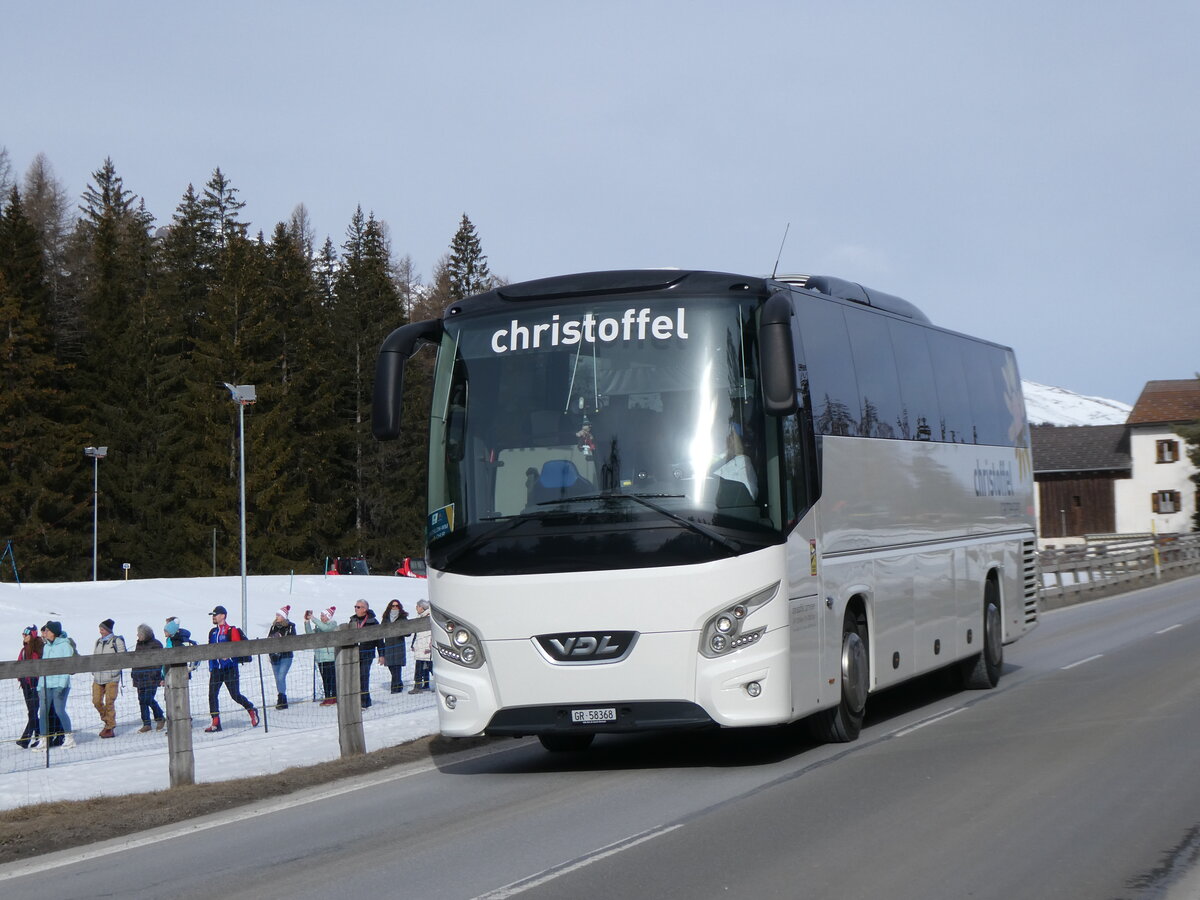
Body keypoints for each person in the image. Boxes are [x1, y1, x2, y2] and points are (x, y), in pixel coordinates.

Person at [205, 605, 258, 732]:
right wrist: (212, 665)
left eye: (215, 614)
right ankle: (216, 722)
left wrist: (228, 657)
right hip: (216, 669)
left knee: (235, 695)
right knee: (212, 695)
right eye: (212, 615)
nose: (213, 617)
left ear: (223, 616)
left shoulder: (231, 630)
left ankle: (251, 709)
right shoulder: (212, 632)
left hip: (230, 668)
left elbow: (238, 648)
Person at [32, 621, 75, 750]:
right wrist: (40, 686)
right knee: (43, 712)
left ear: (54, 633)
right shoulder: (46, 647)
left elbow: (67, 667)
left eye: (48, 631)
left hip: (59, 684)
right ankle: (44, 740)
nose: (45, 633)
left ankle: (69, 738)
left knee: (59, 710)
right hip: (46, 684)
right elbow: (44, 668)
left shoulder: (65, 646)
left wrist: (61, 685)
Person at [92, 618, 127, 738]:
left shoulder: (116, 641)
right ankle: (108, 722)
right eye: (100, 629)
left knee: (109, 702)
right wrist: (94, 671)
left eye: (102, 629)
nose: (100, 631)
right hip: (98, 676)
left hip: (112, 677)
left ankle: (109, 728)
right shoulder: (98, 642)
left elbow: (122, 658)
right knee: (96, 701)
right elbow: (95, 657)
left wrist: (114, 672)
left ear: (107, 629)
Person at [131, 624, 166, 733]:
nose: (137, 635)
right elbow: (136, 660)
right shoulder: (139, 645)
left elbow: (159, 662)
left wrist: (156, 675)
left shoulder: (156, 644)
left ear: (145, 634)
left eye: (139, 633)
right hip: (140, 677)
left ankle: (160, 717)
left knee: (148, 698)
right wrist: (134, 673)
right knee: (141, 700)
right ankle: (146, 723)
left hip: (151, 677)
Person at [347, 600, 380, 708]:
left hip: (367, 653)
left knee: (363, 676)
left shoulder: (373, 621)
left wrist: (382, 654)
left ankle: (365, 702)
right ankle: (356, 701)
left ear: (365, 609)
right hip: (354, 653)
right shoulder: (352, 620)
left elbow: (379, 639)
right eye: (355, 606)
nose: (356, 609)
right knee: (354, 677)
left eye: (358, 607)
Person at [304, 607, 338, 705]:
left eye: (323, 615)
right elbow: (310, 634)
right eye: (321, 616)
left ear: (328, 616)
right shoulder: (318, 628)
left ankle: (334, 696)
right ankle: (328, 697)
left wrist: (313, 618)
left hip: (330, 657)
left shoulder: (332, 625)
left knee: (331, 677)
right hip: (320, 658)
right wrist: (307, 622)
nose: (321, 617)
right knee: (325, 678)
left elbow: (326, 628)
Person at [16, 625, 42, 749]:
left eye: (26, 634)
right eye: (23, 634)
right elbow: (18, 664)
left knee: (33, 711)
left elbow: (37, 667)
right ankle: (37, 736)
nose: (23, 636)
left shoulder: (37, 649)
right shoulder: (24, 650)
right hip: (26, 685)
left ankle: (26, 738)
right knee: (32, 712)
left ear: (31, 636)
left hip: (35, 685)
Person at [267, 605, 296, 710]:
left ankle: (282, 698)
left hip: (286, 655)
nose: (277, 616)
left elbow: (293, 639)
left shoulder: (290, 626)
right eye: (276, 615)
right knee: (277, 678)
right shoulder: (273, 626)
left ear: (284, 616)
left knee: (281, 676)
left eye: (279, 615)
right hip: (275, 656)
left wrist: (281, 638)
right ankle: (281, 696)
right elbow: (269, 639)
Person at [377, 599, 409, 693]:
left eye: (397, 606)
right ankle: (398, 684)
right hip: (388, 646)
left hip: (399, 645)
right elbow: (381, 632)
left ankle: (395, 689)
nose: (395, 607)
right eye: (393, 606)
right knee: (391, 667)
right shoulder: (386, 618)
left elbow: (408, 632)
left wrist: (401, 632)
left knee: (397, 668)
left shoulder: (402, 618)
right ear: (390, 607)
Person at [409, 600, 433, 693]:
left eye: (417, 606)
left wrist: (430, 645)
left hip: (427, 647)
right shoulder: (420, 617)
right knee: (421, 666)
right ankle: (421, 686)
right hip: (420, 646)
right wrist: (413, 644)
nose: (416, 608)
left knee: (430, 666)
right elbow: (417, 634)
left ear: (422, 608)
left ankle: (420, 686)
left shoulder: (428, 618)